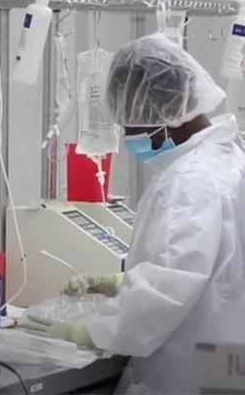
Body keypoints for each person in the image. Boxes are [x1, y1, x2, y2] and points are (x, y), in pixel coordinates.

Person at [36, 33, 245, 394]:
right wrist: (123, 283)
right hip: (222, 363)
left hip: (186, 372)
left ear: (170, 107)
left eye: (133, 119)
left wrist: (91, 331)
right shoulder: (229, 161)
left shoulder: (190, 182)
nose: (129, 133)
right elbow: (213, 268)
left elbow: (166, 290)